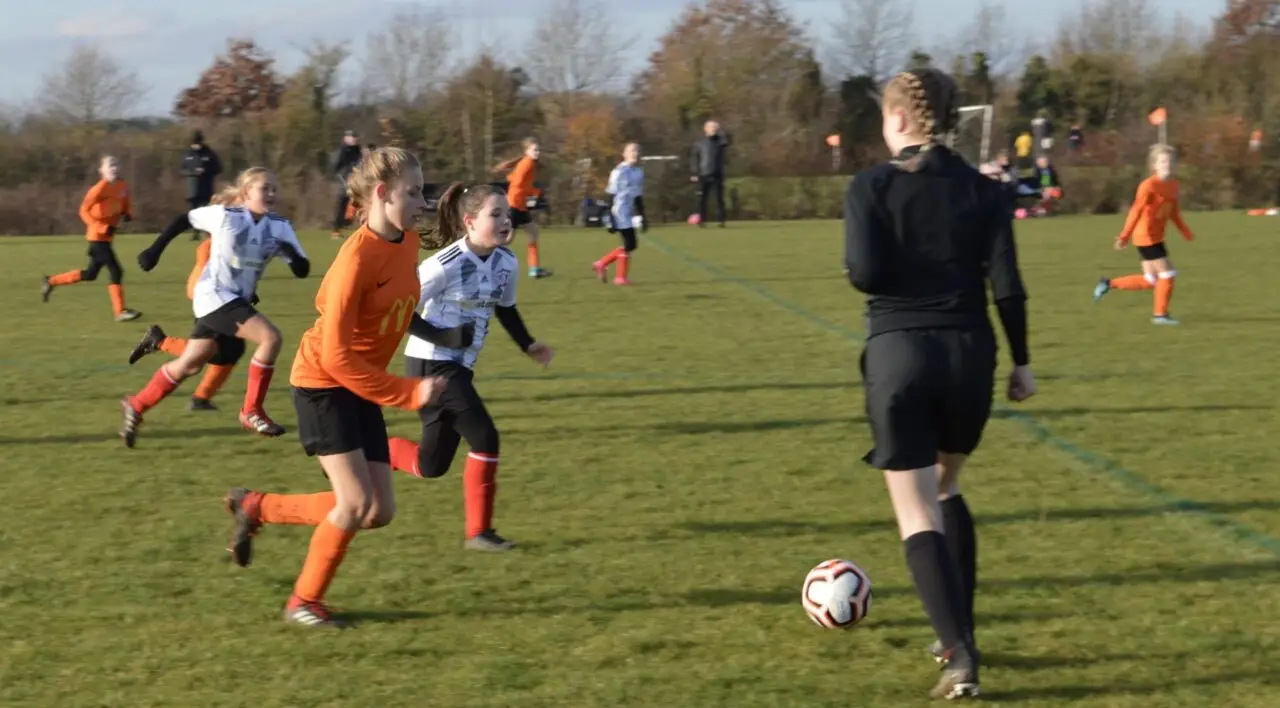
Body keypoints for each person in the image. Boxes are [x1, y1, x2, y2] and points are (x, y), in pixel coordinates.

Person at [844, 68, 1036, 700]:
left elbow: (865, 273)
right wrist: (1022, 362)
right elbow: (1006, 285)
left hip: (899, 353)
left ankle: (958, 656)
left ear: (897, 119)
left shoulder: (871, 185)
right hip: (969, 355)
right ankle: (961, 631)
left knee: (915, 508)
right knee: (948, 486)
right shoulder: (984, 192)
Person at [221, 147, 449, 628]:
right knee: (354, 504)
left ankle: (256, 506)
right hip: (323, 384)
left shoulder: (405, 240)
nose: (421, 201)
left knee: (378, 511)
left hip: (361, 383)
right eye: (413, 192)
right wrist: (407, 393)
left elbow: (398, 306)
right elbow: (335, 356)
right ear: (383, 195)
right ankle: (302, 602)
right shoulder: (355, 259)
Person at [386, 181, 555, 551]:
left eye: (507, 214)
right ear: (469, 221)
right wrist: (445, 338)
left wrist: (529, 345)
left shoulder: (506, 263)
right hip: (431, 364)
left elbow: (505, 309)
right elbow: (399, 310)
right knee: (485, 436)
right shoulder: (445, 264)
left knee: (431, 465)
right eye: (495, 215)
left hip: (459, 367)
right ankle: (479, 534)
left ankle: (370, 449)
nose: (505, 221)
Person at [124, 167, 310, 446]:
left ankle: (136, 404)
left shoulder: (279, 226)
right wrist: (154, 251)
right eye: (265, 188)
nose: (271, 193)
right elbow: (183, 220)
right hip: (213, 294)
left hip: (235, 299)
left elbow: (302, 270)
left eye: (274, 188)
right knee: (271, 338)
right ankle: (251, 411)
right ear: (247, 193)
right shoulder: (227, 216)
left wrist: (292, 254)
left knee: (192, 363)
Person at [127, 216, 243, 412]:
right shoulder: (212, 246)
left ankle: (201, 398)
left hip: (216, 300)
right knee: (214, 351)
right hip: (209, 301)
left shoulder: (225, 243)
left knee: (231, 348)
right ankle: (160, 343)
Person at [1092, 144, 1194, 325]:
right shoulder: (1148, 185)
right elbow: (1136, 211)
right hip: (1145, 236)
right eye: (1163, 161)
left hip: (1157, 236)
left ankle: (1108, 284)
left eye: (1171, 161)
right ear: (1154, 165)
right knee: (1168, 274)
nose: (1167, 164)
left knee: (1151, 280)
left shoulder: (1174, 185)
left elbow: (1173, 212)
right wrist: (1124, 236)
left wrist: (1184, 230)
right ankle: (1160, 315)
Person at [41, 155, 141, 321]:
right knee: (116, 271)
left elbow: (125, 203)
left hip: (107, 238)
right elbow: (83, 211)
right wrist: (102, 227)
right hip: (96, 237)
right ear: (101, 170)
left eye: (116, 164)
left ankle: (51, 281)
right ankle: (120, 311)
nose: (114, 168)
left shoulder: (123, 186)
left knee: (90, 274)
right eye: (110, 165)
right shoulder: (98, 189)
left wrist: (128, 214)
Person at [495, 138, 550, 278]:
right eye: (534, 150)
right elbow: (519, 184)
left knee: (533, 232)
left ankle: (534, 269)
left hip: (520, 205)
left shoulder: (527, 162)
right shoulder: (527, 163)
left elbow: (513, 180)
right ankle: (484, 263)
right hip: (514, 205)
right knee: (506, 240)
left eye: (538, 150)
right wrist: (536, 192)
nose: (537, 152)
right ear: (527, 151)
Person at [593, 142, 646, 285]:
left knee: (630, 244)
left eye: (637, 150)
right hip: (618, 211)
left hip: (628, 212)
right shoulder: (618, 172)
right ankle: (618, 276)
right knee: (630, 243)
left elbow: (638, 196)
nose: (635, 153)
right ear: (625, 154)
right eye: (632, 150)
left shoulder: (639, 172)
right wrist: (610, 218)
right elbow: (610, 195)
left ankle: (603, 265)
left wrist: (643, 216)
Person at [181, 130, 223, 240]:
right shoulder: (187, 155)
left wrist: (206, 171)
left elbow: (218, 168)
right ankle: (195, 234)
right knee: (193, 213)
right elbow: (182, 170)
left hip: (206, 188)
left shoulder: (209, 154)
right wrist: (193, 172)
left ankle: (208, 234)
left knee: (207, 212)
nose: (196, 145)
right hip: (192, 189)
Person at [690, 120, 730, 227]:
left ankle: (720, 220)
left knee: (719, 198)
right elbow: (694, 158)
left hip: (717, 173)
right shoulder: (699, 143)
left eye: (715, 127)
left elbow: (727, 141)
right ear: (705, 129)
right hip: (704, 173)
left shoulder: (720, 142)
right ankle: (701, 220)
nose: (713, 129)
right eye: (711, 127)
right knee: (702, 199)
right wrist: (694, 172)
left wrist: (720, 134)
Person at [330, 130, 363, 239]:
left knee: (359, 203)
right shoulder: (342, 150)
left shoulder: (357, 150)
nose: (354, 139)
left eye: (355, 136)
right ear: (345, 138)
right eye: (352, 137)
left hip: (355, 179)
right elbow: (336, 167)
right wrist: (342, 179)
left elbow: (359, 162)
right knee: (341, 205)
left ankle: (355, 226)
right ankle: (336, 230)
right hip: (343, 181)